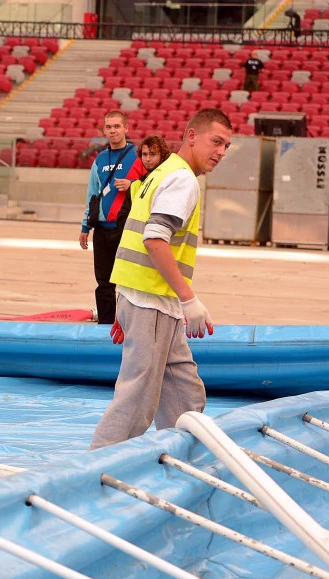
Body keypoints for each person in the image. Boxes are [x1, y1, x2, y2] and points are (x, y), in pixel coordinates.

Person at [89, 109, 232, 450]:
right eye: (216, 142)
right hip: (151, 300)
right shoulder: (181, 179)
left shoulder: (160, 172)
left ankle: (182, 454)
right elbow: (154, 239)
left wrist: (126, 303)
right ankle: (96, 467)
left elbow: (135, 234)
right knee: (137, 396)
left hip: (149, 300)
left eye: (227, 145)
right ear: (191, 136)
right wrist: (188, 299)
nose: (221, 152)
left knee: (183, 388)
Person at [79, 110, 138, 325]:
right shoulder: (100, 159)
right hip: (102, 230)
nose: (112, 130)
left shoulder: (138, 154)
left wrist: (133, 185)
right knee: (104, 282)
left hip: (127, 228)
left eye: (117, 126)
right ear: (104, 130)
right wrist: (85, 226)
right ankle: (104, 327)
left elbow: (152, 185)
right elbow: (92, 195)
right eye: (109, 127)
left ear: (126, 128)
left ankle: (129, 324)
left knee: (130, 281)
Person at [116, 135, 172, 227]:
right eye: (145, 154)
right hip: (134, 240)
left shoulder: (168, 183)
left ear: (162, 156)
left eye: (153, 154)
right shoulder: (135, 186)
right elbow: (121, 218)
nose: (148, 159)